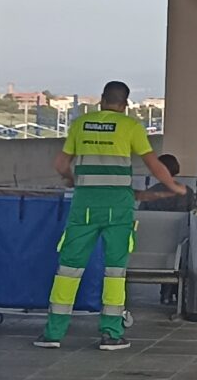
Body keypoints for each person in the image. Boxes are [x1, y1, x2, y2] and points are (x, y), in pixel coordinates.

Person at [38, 82, 178, 350]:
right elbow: (154, 164)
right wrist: (173, 186)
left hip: (85, 206)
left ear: (101, 100)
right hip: (118, 207)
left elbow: (60, 164)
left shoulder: (81, 124)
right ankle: (111, 334)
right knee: (115, 271)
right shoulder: (130, 127)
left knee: (68, 269)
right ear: (125, 104)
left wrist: (71, 179)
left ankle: (53, 334)